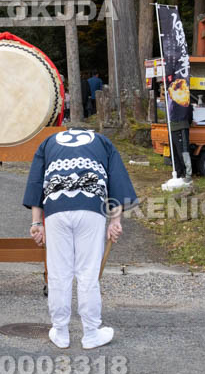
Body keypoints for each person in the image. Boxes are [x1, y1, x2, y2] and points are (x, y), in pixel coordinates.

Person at [23, 128, 136, 350]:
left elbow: (36, 182)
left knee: (58, 273)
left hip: (55, 206)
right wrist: (115, 221)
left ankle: (61, 331)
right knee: (87, 273)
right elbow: (117, 181)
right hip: (91, 206)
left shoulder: (48, 142)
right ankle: (91, 333)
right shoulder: (103, 142)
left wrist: (36, 223)